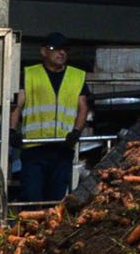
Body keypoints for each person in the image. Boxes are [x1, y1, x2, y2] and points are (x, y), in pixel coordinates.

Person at [17, 35, 89, 206]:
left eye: (65, 50)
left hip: (62, 148)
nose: (61, 53)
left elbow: (83, 107)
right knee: (32, 199)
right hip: (35, 148)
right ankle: (32, 229)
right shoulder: (30, 74)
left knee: (55, 202)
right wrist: (12, 131)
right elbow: (17, 105)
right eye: (55, 49)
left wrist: (76, 132)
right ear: (43, 51)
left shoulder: (76, 76)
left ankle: (50, 231)